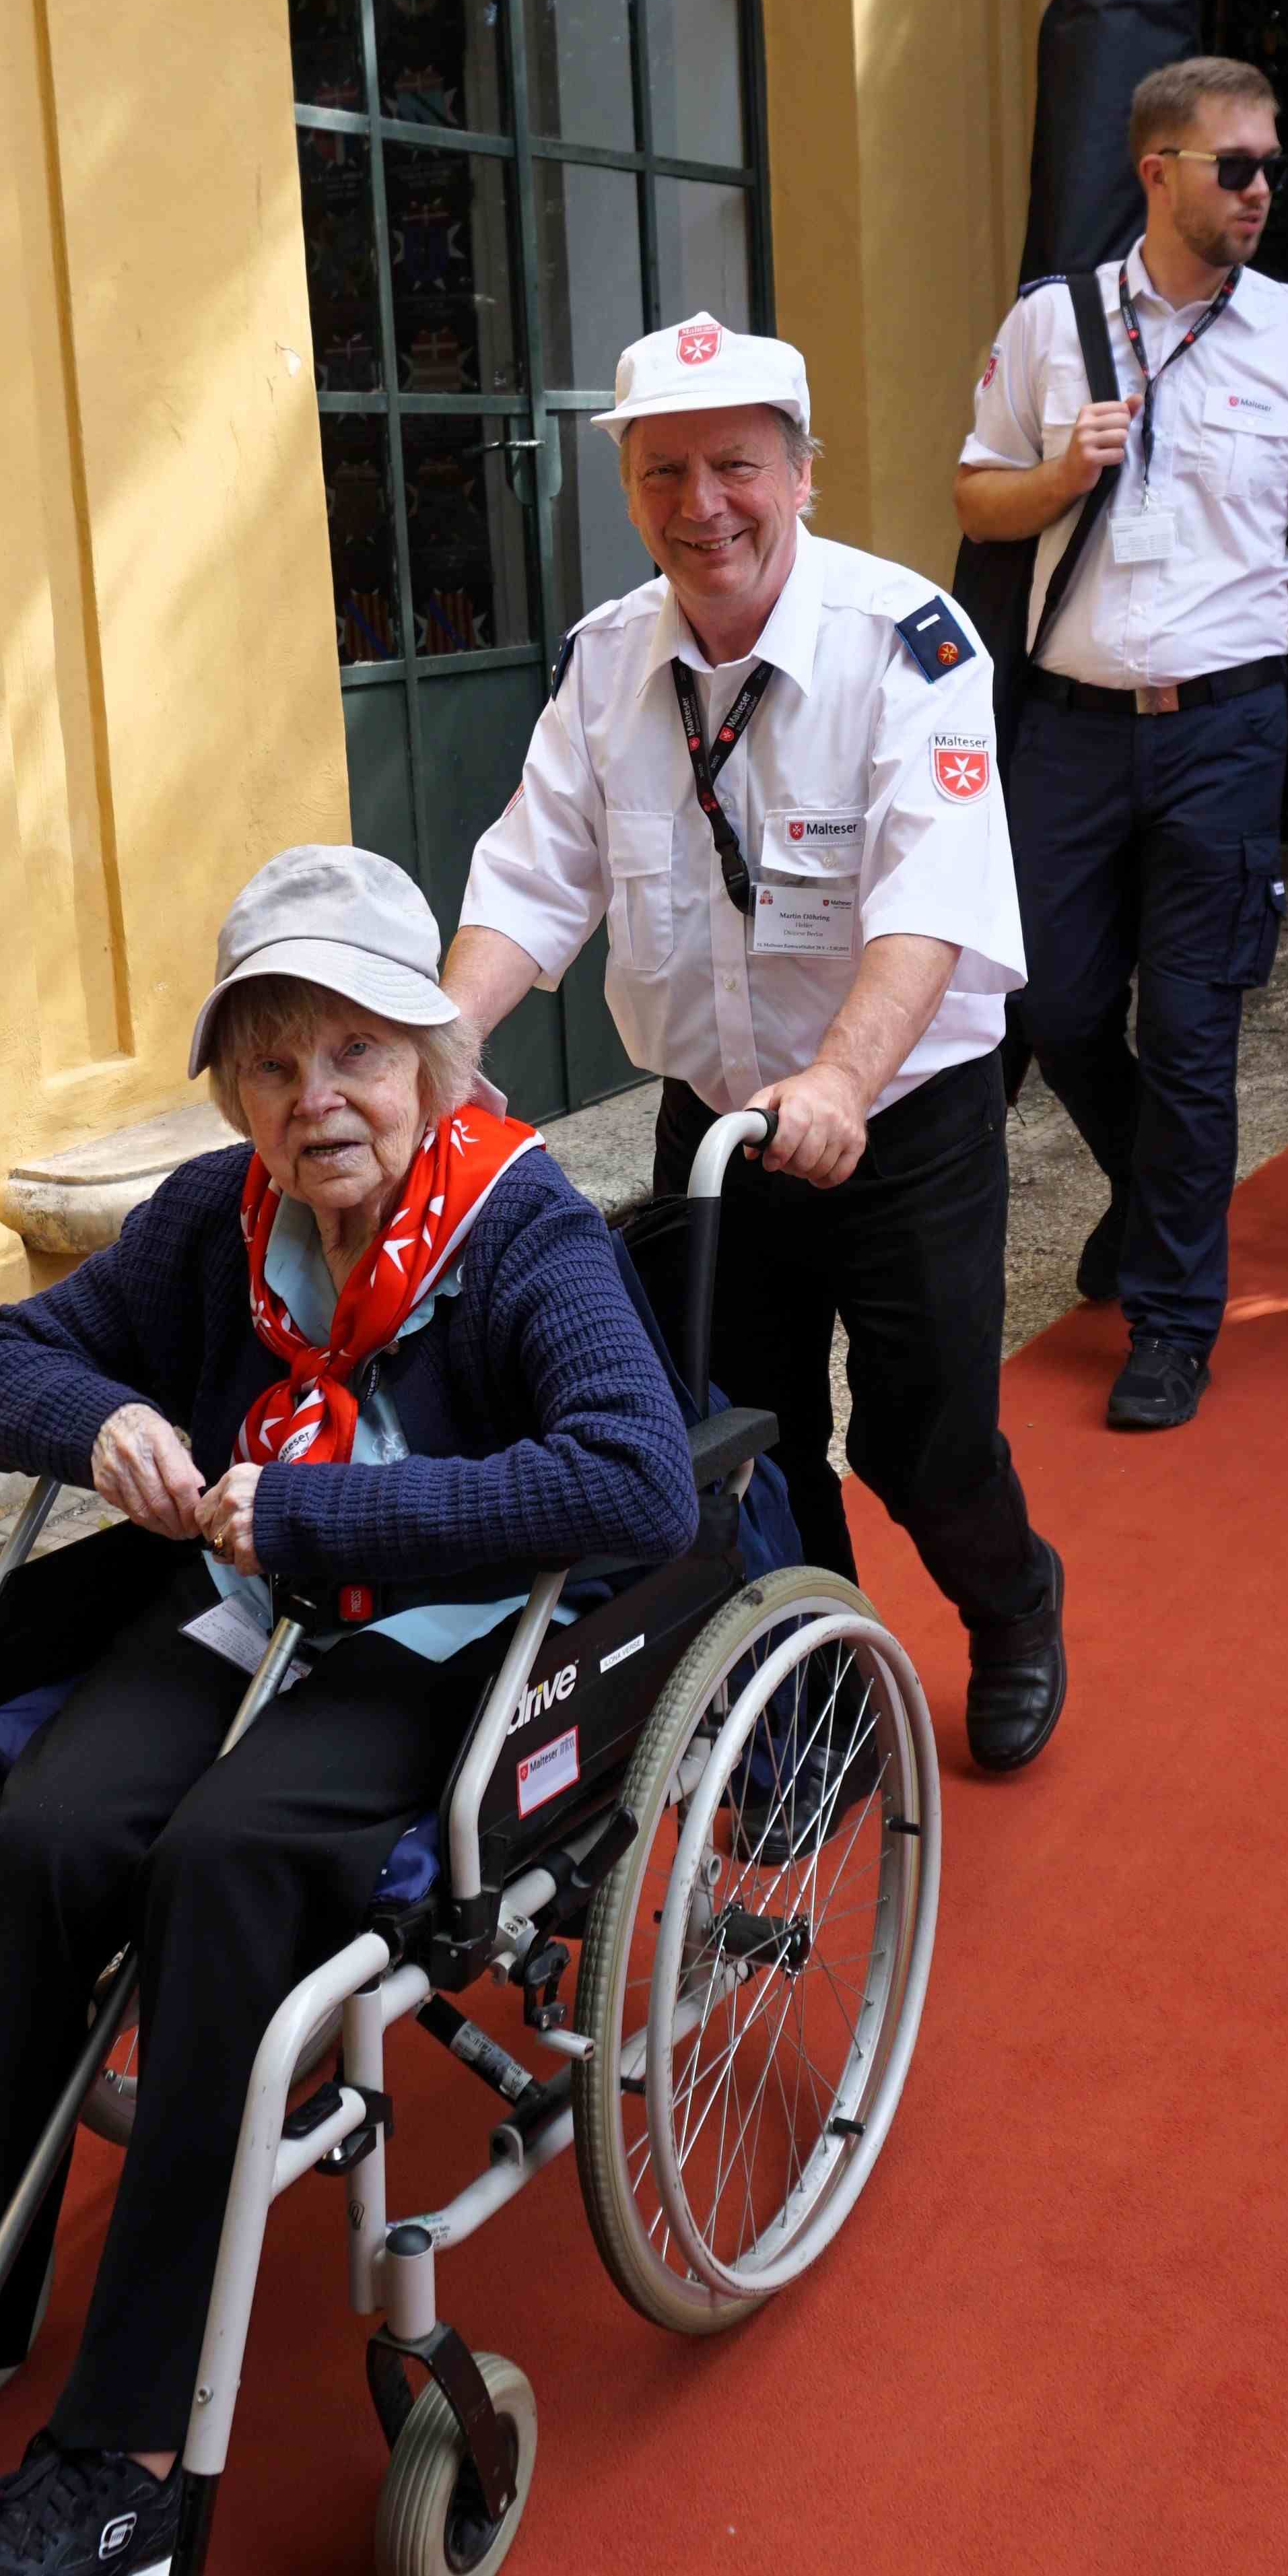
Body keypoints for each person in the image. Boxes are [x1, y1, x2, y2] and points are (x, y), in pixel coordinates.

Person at [0, 846, 700, 2576]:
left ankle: (128, 2461)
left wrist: (319, 1512)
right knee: (45, 1836)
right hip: (236, 1613)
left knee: (224, 1864)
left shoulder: (519, 1225)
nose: (318, 1100)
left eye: (356, 1053)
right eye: (273, 1063)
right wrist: (109, 1420)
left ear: (431, 1058)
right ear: (232, 1094)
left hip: (441, 1649)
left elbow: (637, 1476)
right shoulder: (216, 1218)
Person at [444, 314, 1066, 1775]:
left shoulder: (907, 645)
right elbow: (533, 877)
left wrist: (842, 1077)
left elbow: (932, 896)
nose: (701, 504)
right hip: (716, 1124)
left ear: (801, 474)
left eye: (735, 465)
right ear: (628, 491)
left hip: (897, 1119)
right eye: (663, 473)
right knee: (740, 1441)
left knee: (920, 1443)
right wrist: (440, 1045)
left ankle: (1014, 1601)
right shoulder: (609, 662)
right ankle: (820, 1699)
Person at [954, 53, 1288, 1431]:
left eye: (1272, 165)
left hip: (1224, 730)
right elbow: (976, 501)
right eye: (1236, 166)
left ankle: (1170, 1321)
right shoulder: (1052, 323)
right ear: (1158, 172)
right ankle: (1153, 1194)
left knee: (1195, 1034)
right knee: (1053, 1004)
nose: (1262, 189)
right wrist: (1061, 474)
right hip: (1070, 730)